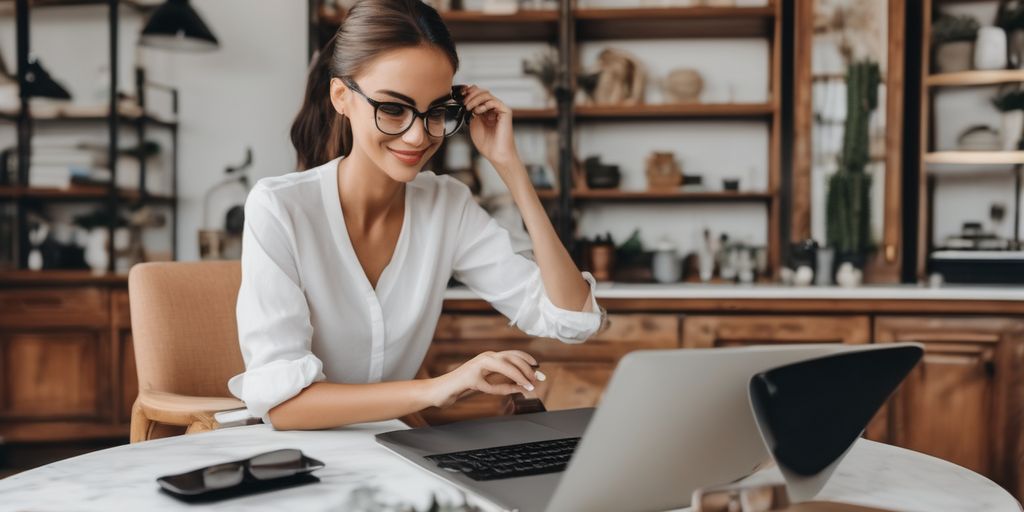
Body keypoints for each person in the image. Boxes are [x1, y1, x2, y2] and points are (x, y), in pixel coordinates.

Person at [227, 0, 603, 430]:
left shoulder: (446, 205)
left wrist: (510, 168)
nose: (418, 135)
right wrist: (437, 388)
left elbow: (572, 319)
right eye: (392, 109)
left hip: (398, 452)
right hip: (300, 460)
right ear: (341, 98)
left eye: (437, 112)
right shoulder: (280, 207)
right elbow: (285, 406)